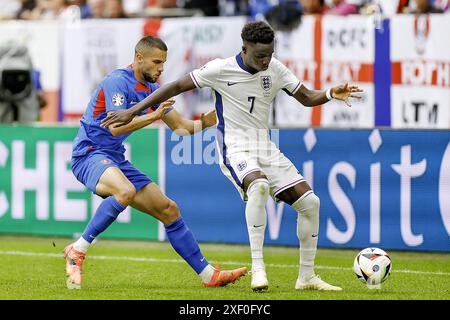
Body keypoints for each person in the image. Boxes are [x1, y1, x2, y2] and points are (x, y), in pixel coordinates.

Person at [101, 21, 363, 292]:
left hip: (266, 147)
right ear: (244, 49)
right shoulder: (220, 69)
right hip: (234, 147)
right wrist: (134, 111)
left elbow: (307, 97)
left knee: (311, 203)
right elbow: (176, 86)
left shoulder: (275, 69)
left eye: (270, 54)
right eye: (260, 55)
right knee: (259, 186)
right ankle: (258, 270)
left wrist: (331, 94)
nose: (266, 60)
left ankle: (306, 277)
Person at [65, 35, 247, 290]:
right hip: (89, 153)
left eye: (163, 63)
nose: (161, 68)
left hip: (114, 158)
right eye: (157, 62)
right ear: (139, 58)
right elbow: (116, 127)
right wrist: (154, 116)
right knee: (125, 191)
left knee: (168, 209)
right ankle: (78, 250)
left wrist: (208, 121)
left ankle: (209, 275)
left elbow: (181, 128)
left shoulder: (152, 90)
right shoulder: (117, 81)